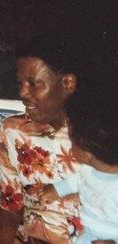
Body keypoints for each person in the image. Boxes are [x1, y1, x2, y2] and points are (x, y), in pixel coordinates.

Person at [0, 34, 83, 243]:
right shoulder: (14, 131)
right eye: (20, 82)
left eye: (33, 83)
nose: (22, 92)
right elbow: (9, 211)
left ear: (68, 83)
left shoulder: (100, 138)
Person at [37, 45, 118, 244]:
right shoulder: (87, 170)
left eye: (72, 143)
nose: (70, 148)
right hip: (88, 234)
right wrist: (55, 190)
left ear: (88, 153)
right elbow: (75, 182)